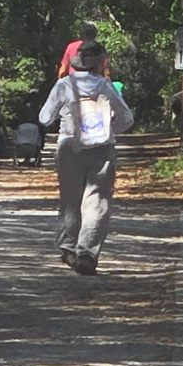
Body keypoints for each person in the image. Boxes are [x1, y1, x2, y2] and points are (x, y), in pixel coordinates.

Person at [38, 40, 134, 275]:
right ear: (100, 63)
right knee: (97, 200)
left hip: (69, 145)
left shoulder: (64, 85)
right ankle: (87, 253)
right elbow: (126, 118)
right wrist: (109, 130)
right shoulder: (105, 86)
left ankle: (68, 246)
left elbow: (44, 117)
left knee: (70, 199)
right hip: (101, 148)